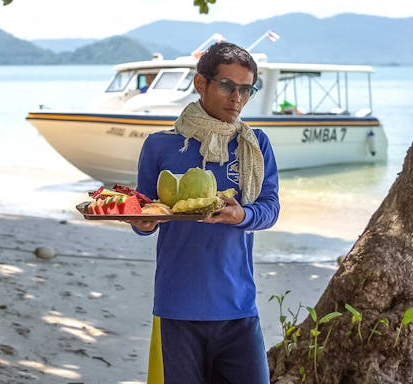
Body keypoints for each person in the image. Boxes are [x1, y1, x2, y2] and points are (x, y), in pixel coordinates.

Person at [128, 41, 280, 384]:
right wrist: (143, 221)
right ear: (201, 84)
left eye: (247, 89)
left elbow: (270, 208)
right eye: (228, 86)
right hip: (177, 307)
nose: (237, 98)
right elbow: (145, 217)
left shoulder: (255, 145)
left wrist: (241, 216)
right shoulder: (160, 145)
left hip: (238, 307)